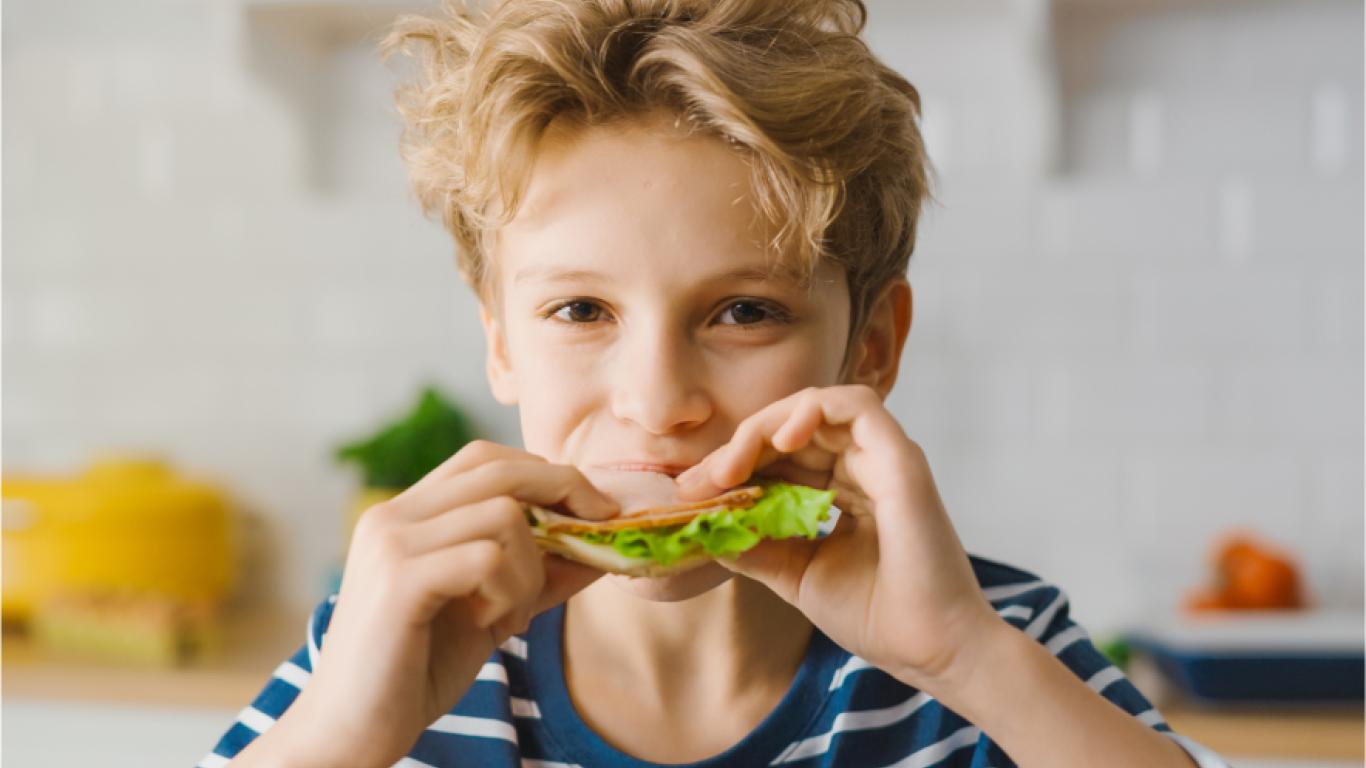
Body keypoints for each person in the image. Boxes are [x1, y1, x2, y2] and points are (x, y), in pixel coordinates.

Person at [202, 1, 1230, 765]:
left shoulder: (994, 645)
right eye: (580, 312)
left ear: (870, 348)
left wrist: (966, 661)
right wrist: (340, 735)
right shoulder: (386, 639)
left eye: (744, 311)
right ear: (500, 341)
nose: (657, 403)